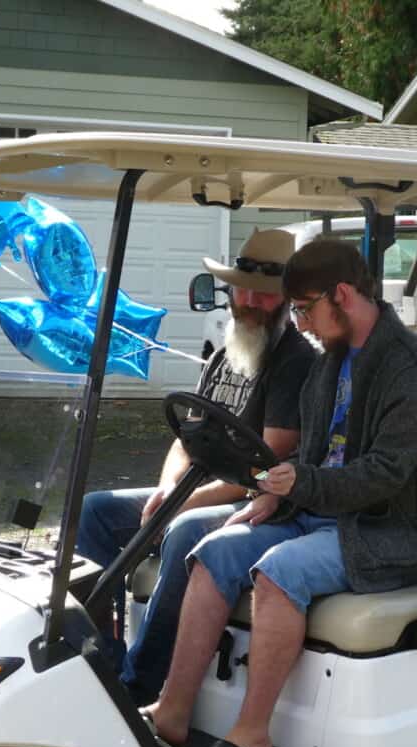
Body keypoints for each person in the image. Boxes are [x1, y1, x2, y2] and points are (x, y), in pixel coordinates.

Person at [145, 240, 417, 747]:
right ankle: (171, 712)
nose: (302, 324)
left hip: (381, 531)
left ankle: (251, 736)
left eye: (307, 309)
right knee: (215, 548)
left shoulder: (413, 369)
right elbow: (303, 455)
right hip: (313, 515)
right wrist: (269, 492)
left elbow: (385, 474)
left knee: (280, 569)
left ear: (343, 294)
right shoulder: (329, 363)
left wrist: (298, 484)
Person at [76, 228, 316, 706]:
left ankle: (139, 684)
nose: (247, 302)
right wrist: (166, 488)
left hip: (255, 502)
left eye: (263, 295)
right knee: (95, 511)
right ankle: (98, 656)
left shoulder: (295, 362)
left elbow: (265, 468)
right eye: (240, 289)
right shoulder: (227, 355)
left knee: (185, 529)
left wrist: (181, 503)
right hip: (192, 490)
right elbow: (186, 440)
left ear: (286, 301)